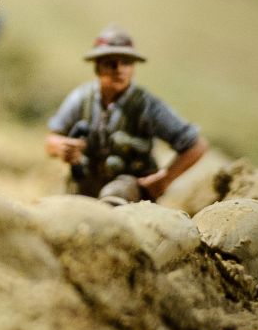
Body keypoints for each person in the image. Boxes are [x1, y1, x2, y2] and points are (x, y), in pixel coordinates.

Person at [44, 24, 209, 203]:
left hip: (128, 190)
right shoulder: (81, 98)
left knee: (116, 194)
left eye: (126, 63)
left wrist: (164, 179)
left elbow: (196, 145)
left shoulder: (148, 106)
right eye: (110, 63)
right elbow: (51, 140)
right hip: (86, 185)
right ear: (97, 68)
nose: (119, 69)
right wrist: (61, 147)